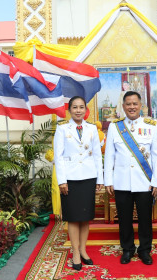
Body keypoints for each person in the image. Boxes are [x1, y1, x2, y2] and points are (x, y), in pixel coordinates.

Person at [104, 91, 157, 265]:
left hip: (145, 182)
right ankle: (127, 249)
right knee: (124, 219)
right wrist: (109, 181)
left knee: (145, 219)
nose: (131, 107)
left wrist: (156, 182)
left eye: (135, 104)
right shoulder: (115, 126)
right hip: (122, 182)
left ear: (141, 105)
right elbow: (109, 156)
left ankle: (145, 250)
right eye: (128, 104)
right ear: (123, 106)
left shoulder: (151, 125)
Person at [54, 96, 104, 271]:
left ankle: (83, 249)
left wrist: (100, 179)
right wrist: (62, 181)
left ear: (85, 110)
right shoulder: (62, 129)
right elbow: (58, 157)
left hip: (88, 177)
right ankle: (75, 251)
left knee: (85, 217)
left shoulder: (91, 129)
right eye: (74, 107)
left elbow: (97, 155)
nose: (78, 110)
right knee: (74, 218)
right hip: (70, 179)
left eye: (81, 107)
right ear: (69, 110)